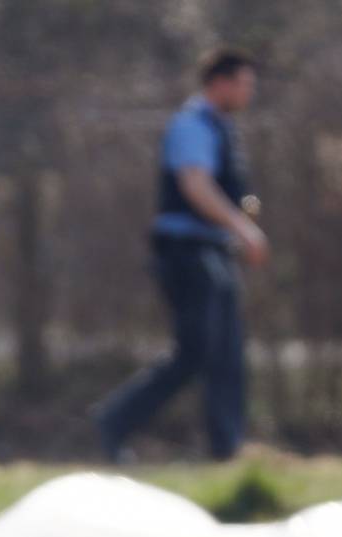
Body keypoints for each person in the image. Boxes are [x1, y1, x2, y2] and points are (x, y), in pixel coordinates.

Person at [95, 48, 267, 463]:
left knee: (226, 352)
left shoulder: (224, 129)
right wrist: (242, 227)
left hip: (212, 250)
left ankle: (227, 450)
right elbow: (195, 185)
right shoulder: (193, 124)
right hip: (187, 252)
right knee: (195, 353)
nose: (249, 93)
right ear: (219, 82)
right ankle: (114, 422)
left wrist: (244, 213)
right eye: (244, 84)